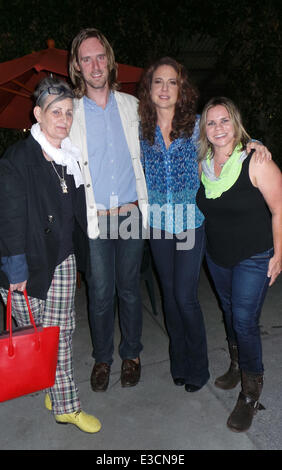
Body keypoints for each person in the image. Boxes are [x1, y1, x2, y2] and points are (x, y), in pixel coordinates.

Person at [138, 57, 272, 394]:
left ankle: (197, 368)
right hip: (157, 224)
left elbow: (227, 134)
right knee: (170, 297)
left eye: (172, 82)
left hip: (189, 222)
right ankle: (179, 363)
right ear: (149, 89)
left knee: (185, 296)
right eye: (158, 82)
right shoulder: (140, 129)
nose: (165, 88)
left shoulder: (196, 124)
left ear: (182, 89)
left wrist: (256, 143)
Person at [0, 77, 101, 434]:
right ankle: (56, 392)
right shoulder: (18, 159)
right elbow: (9, 219)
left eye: (68, 112)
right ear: (38, 114)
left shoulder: (69, 157)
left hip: (62, 259)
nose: (63, 119)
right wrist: (15, 270)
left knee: (60, 333)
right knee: (39, 335)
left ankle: (65, 406)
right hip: (27, 264)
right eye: (55, 111)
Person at [68, 28, 148, 392]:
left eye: (100, 56)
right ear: (77, 67)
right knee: (100, 292)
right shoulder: (70, 113)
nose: (95, 65)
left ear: (109, 60)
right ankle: (103, 358)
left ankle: (131, 354)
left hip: (131, 212)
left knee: (130, 289)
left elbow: (168, 134)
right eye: (87, 59)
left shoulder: (131, 105)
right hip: (97, 217)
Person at [196, 96, 282, 432]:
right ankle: (236, 364)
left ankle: (250, 393)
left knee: (245, 320)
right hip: (217, 255)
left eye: (224, 121)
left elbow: (279, 209)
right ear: (204, 129)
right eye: (211, 122)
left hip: (255, 255)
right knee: (229, 312)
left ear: (236, 123)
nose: (218, 128)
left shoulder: (255, 160)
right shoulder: (202, 162)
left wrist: (279, 252)